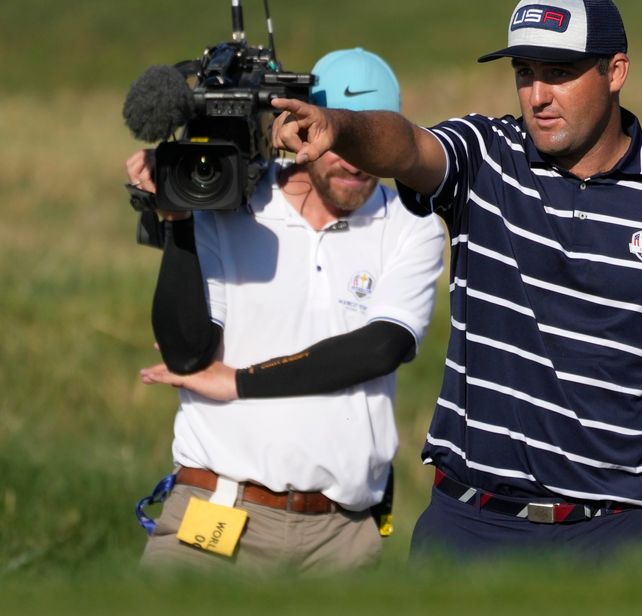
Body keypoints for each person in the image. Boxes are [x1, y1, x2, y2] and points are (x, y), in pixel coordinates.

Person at [271, 0, 642, 559]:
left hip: (612, 538)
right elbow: (409, 146)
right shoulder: (485, 155)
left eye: (558, 73)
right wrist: (339, 128)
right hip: (470, 527)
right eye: (524, 73)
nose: (537, 96)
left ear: (616, 71)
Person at [129, 48, 445, 573]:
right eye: (336, 141)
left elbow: (380, 346)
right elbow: (187, 354)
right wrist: (177, 218)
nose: (351, 161)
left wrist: (240, 381)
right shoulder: (232, 205)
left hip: (341, 537)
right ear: (303, 129)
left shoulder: (411, 227)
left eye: (363, 142)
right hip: (217, 511)